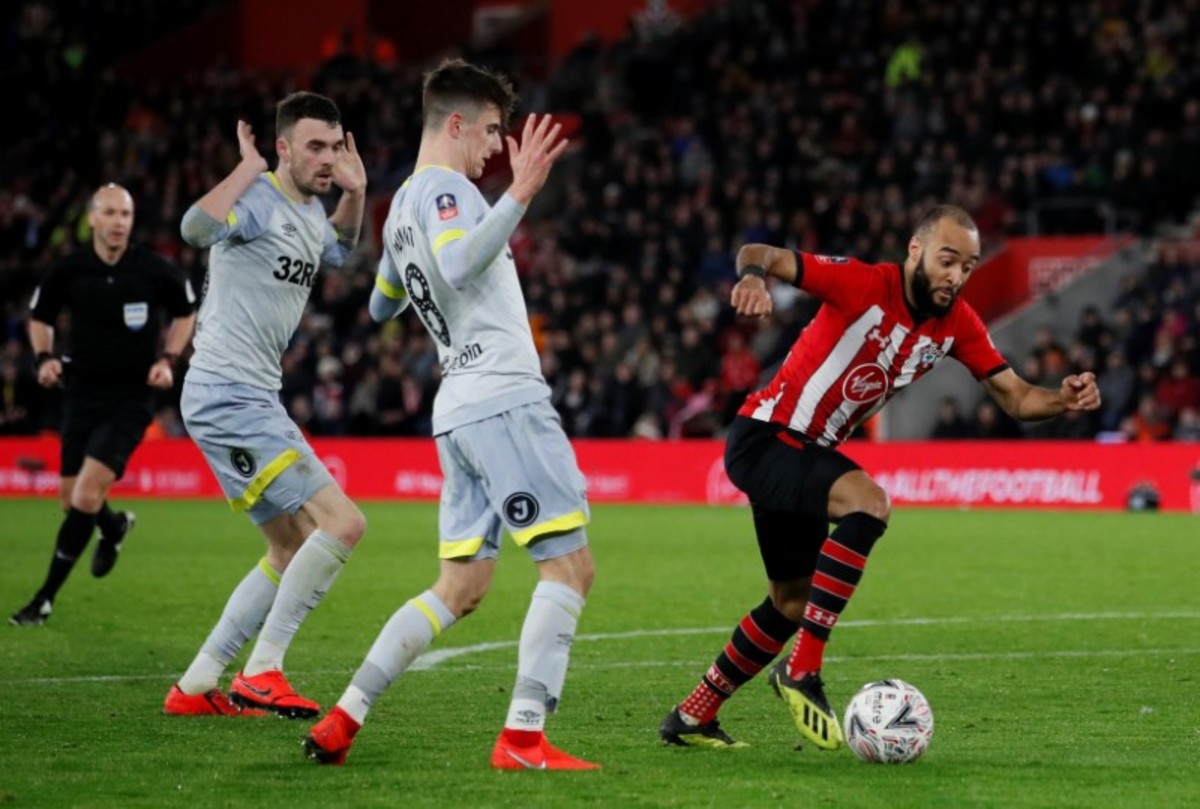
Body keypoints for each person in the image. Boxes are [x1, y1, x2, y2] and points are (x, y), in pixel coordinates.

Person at [659, 204, 1101, 751]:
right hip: (768, 436)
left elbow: (1016, 397)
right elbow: (759, 253)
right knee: (869, 503)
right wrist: (752, 278)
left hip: (804, 453)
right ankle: (801, 671)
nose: (956, 276)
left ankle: (693, 714)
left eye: (968, 266)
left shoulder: (957, 324)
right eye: (947, 260)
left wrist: (1062, 399)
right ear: (916, 250)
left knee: (792, 602)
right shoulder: (862, 283)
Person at [303, 59, 598, 771]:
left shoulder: (403, 203)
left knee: (459, 587)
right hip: (503, 399)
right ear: (457, 123)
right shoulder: (447, 191)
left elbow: (381, 305)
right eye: (492, 131)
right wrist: (520, 193)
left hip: (458, 410)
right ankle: (523, 740)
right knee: (570, 569)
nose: (497, 147)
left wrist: (409, 268)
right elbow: (461, 265)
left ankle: (344, 716)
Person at [163, 92, 369, 718]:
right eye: (315, 146)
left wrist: (356, 194)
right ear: (283, 147)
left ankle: (196, 685)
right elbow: (194, 230)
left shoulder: (311, 210)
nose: (328, 158)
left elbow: (339, 250)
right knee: (343, 524)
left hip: (245, 394)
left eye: (335, 146)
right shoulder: (256, 200)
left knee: (288, 547)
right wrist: (247, 168)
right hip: (230, 393)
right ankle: (262, 670)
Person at [10, 184, 196, 626]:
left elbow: (186, 310)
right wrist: (44, 357)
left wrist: (168, 359)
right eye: (110, 213)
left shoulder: (153, 269)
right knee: (70, 500)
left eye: (125, 214)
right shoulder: (69, 269)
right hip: (81, 394)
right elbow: (40, 317)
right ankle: (114, 527)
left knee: (87, 494)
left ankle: (43, 600)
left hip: (131, 397)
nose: (118, 222)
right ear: (92, 218)